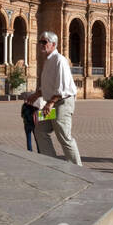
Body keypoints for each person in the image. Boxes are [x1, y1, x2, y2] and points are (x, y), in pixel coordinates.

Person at [26, 31, 82, 166]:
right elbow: (49, 85)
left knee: (64, 136)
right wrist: (37, 94)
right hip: (53, 103)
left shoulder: (60, 60)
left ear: (53, 44)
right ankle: (52, 162)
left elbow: (62, 87)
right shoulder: (49, 60)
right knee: (39, 129)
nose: (41, 44)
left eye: (44, 42)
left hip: (62, 102)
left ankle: (78, 167)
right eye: (40, 42)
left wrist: (50, 103)